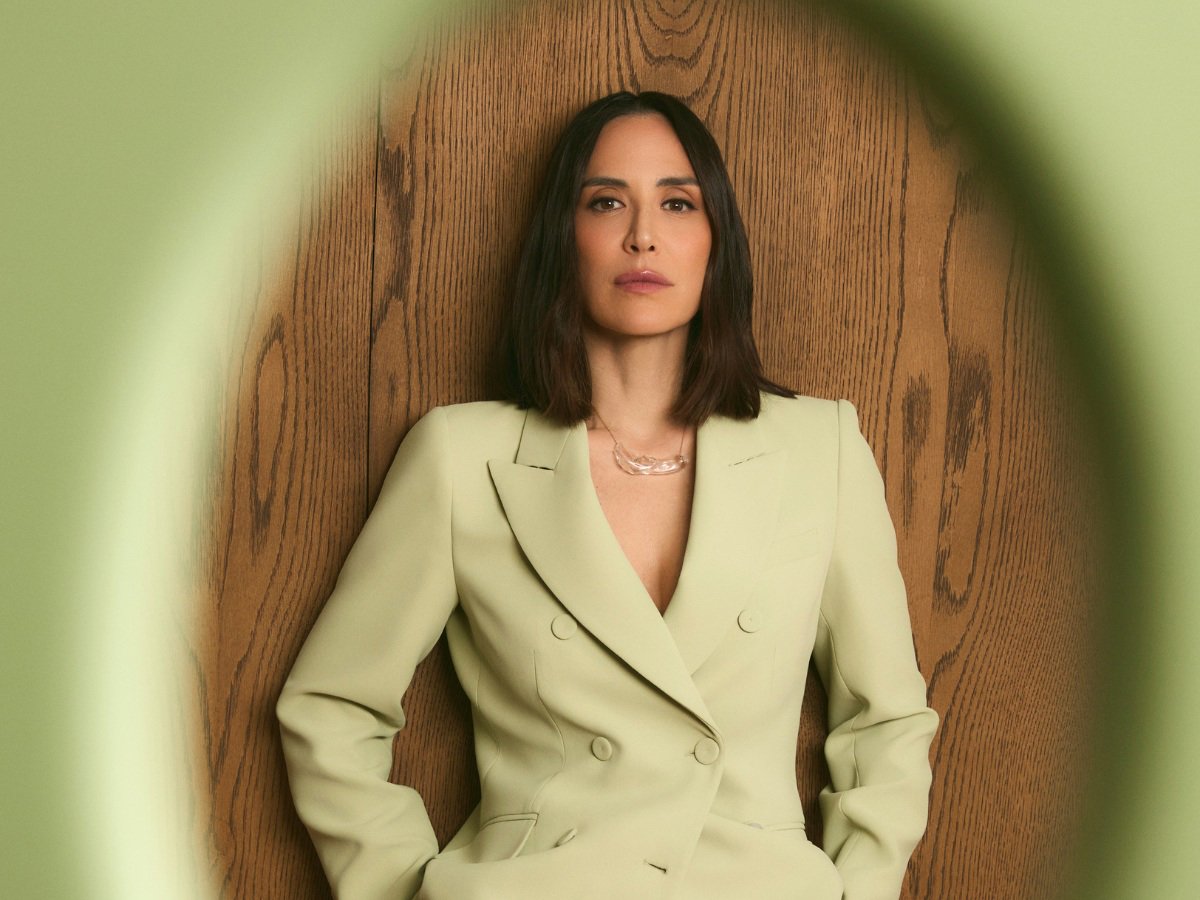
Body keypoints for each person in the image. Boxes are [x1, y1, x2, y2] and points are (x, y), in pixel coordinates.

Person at [277, 91, 938, 900]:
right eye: (606, 202)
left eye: (678, 202)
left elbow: (886, 723)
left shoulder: (819, 450)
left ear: (717, 241)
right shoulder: (462, 457)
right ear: (564, 238)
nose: (643, 234)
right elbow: (331, 706)